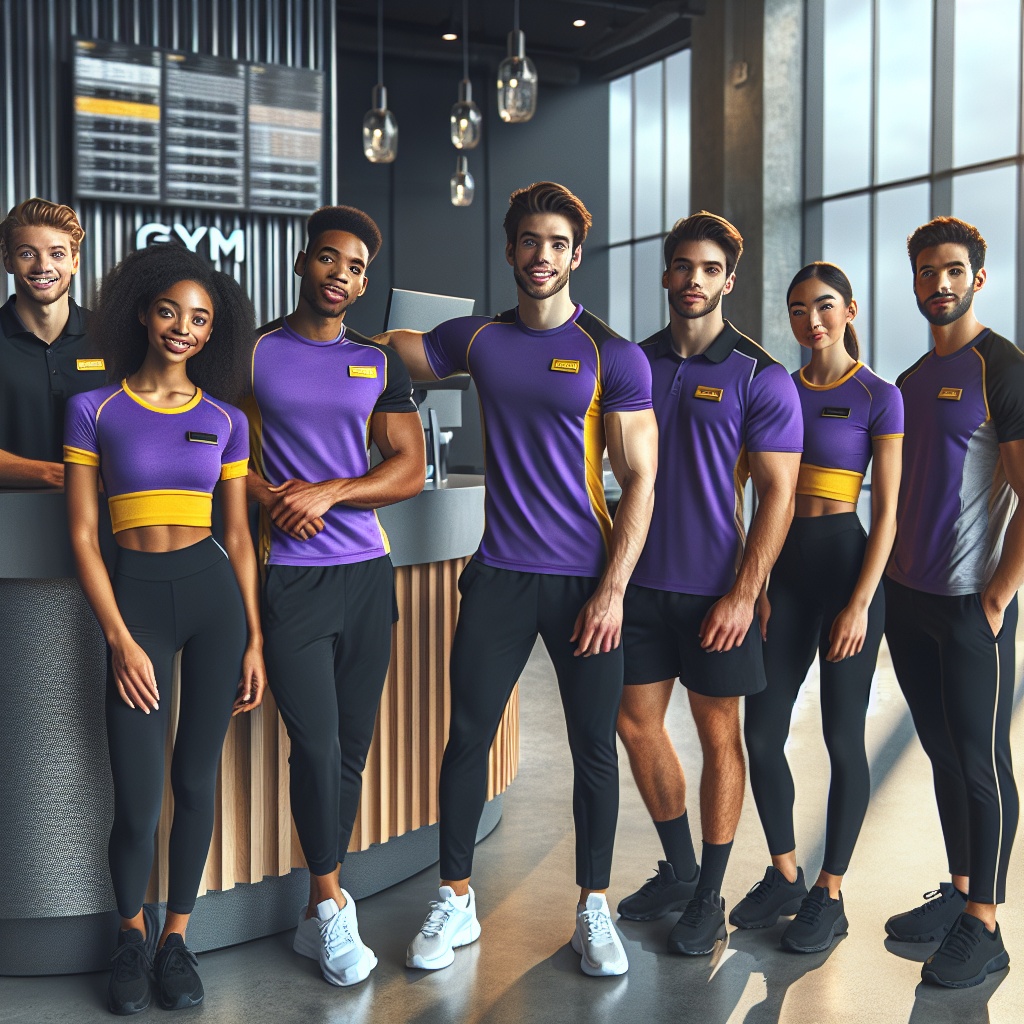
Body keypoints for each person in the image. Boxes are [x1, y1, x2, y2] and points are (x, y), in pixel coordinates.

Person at [382, 181, 658, 978]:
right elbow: (393, 348)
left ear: (578, 254)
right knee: (466, 736)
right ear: (510, 250)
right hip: (499, 574)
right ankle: (456, 898)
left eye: (558, 243)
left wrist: (612, 591)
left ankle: (592, 908)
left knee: (593, 750)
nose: (543, 255)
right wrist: (323, 328)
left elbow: (640, 477)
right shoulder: (474, 340)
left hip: (585, 584)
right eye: (529, 241)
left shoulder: (614, 355)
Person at [64, 244, 267, 1014]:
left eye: (201, 319)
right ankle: (130, 935)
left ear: (214, 334)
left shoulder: (225, 419)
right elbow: (84, 536)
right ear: (143, 314)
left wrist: (252, 636)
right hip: (136, 605)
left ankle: (177, 938)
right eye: (170, 311)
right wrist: (117, 636)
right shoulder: (95, 409)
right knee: (140, 800)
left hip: (213, 598)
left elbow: (241, 538)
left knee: (195, 781)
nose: (184, 327)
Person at [244, 205, 425, 987]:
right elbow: (224, 456)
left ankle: (316, 911)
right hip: (288, 576)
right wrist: (269, 497)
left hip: (364, 574)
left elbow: (408, 467)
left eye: (355, 267)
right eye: (328, 259)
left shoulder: (379, 361)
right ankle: (329, 903)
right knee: (315, 747)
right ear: (301, 263)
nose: (340, 275)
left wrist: (329, 493)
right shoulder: (250, 354)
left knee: (350, 750)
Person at [615, 211, 802, 956]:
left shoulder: (760, 375)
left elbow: (777, 495)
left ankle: (712, 893)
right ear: (666, 274)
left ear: (730, 279)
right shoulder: (631, 362)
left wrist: (743, 592)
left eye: (709, 269)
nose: (693, 280)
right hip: (634, 588)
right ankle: (684, 872)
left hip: (712, 592)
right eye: (682, 266)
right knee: (634, 726)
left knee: (719, 735)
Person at [731, 263, 903, 952]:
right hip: (785, 577)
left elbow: (888, 512)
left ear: (849, 309)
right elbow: (742, 490)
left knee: (839, 739)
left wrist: (860, 603)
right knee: (763, 732)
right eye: (799, 309)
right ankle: (785, 875)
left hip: (845, 573)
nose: (812, 321)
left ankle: (829, 893)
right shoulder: (775, 388)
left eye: (824, 306)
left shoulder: (878, 395)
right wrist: (757, 580)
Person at [882, 217, 1023, 989]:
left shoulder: (1002, 368)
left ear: (978, 277)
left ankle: (987, 925)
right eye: (928, 271)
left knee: (982, 764)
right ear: (915, 281)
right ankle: (964, 889)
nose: (940, 281)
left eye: (954, 269)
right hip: (909, 602)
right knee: (941, 753)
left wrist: (999, 594)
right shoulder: (908, 382)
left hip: (973, 605)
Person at [0, 199, 106, 487]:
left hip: (102, 519)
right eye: (27, 254)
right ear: (8, 260)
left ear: (74, 261)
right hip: (8, 520)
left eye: (56, 254)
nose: (43, 266)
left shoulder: (110, 338)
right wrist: (56, 475)